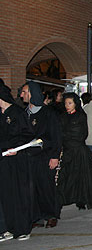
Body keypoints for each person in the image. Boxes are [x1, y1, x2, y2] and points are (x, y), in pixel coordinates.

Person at [20, 81, 62, 229]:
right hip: (29, 157)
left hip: (46, 156)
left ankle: (51, 214)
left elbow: (56, 136)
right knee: (32, 188)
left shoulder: (48, 113)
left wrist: (55, 156)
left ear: (33, 94)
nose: (22, 95)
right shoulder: (24, 113)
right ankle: (36, 216)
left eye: (25, 92)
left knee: (46, 187)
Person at [0, 81, 35, 241]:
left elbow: (27, 135)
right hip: (3, 162)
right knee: (5, 195)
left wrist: (15, 148)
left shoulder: (17, 113)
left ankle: (22, 228)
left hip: (17, 160)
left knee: (18, 194)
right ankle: (8, 227)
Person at [56, 93, 92, 211]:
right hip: (67, 151)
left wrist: (67, 135)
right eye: (65, 103)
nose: (67, 106)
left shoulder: (80, 116)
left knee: (81, 177)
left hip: (79, 151)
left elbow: (81, 134)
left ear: (75, 103)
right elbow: (59, 133)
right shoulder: (62, 116)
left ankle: (81, 199)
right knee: (66, 177)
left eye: (70, 103)